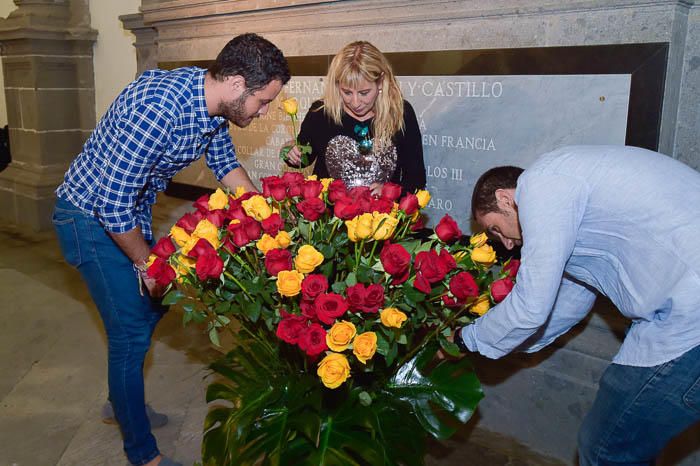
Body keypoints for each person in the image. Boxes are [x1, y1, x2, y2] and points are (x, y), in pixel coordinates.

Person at [51, 33, 290, 466]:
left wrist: (268, 220)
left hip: (126, 212)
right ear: (237, 84)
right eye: (264, 100)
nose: (266, 110)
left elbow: (226, 166)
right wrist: (146, 263)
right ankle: (144, 455)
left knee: (153, 307)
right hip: (88, 218)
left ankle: (120, 400)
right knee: (130, 331)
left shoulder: (212, 105)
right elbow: (111, 205)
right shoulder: (159, 110)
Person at [453, 145, 700, 465]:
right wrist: (511, 344)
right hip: (681, 311)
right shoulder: (565, 195)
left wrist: (464, 339)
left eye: (496, 230)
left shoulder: (542, 184)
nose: (508, 244)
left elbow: (532, 306)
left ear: (504, 198)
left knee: (606, 449)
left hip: (688, 318)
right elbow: (570, 301)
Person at [285, 40, 426, 195]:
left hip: (382, 217)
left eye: (364, 93)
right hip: (328, 217)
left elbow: (416, 179)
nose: (355, 102)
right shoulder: (321, 113)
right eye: (347, 92)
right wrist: (291, 151)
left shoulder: (400, 113)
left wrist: (388, 193)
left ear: (381, 82)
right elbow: (304, 157)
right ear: (337, 85)